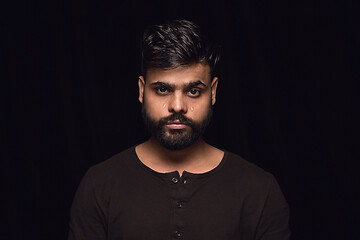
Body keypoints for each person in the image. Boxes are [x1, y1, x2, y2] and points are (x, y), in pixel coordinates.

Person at [68, 19, 290, 240]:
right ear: (141, 90)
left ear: (213, 92)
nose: (177, 106)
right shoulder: (99, 185)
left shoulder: (260, 190)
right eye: (162, 89)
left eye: (193, 91)